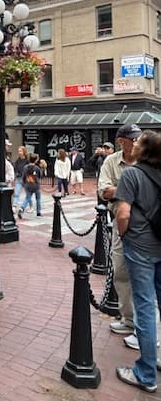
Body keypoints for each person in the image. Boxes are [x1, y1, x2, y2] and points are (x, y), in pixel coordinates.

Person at [115, 129, 161, 394]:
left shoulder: (132, 174)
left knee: (144, 306)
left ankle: (145, 373)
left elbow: (123, 212)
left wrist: (125, 235)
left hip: (141, 246)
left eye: (138, 142)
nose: (134, 144)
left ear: (144, 150)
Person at [98, 123, 142, 348]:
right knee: (121, 272)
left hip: (146, 228)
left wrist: (120, 188)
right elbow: (104, 192)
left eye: (138, 138)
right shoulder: (111, 162)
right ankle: (129, 320)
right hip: (120, 226)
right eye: (132, 139)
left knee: (144, 279)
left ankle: (146, 332)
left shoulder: (149, 160)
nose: (136, 142)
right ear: (121, 141)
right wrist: (133, 188)